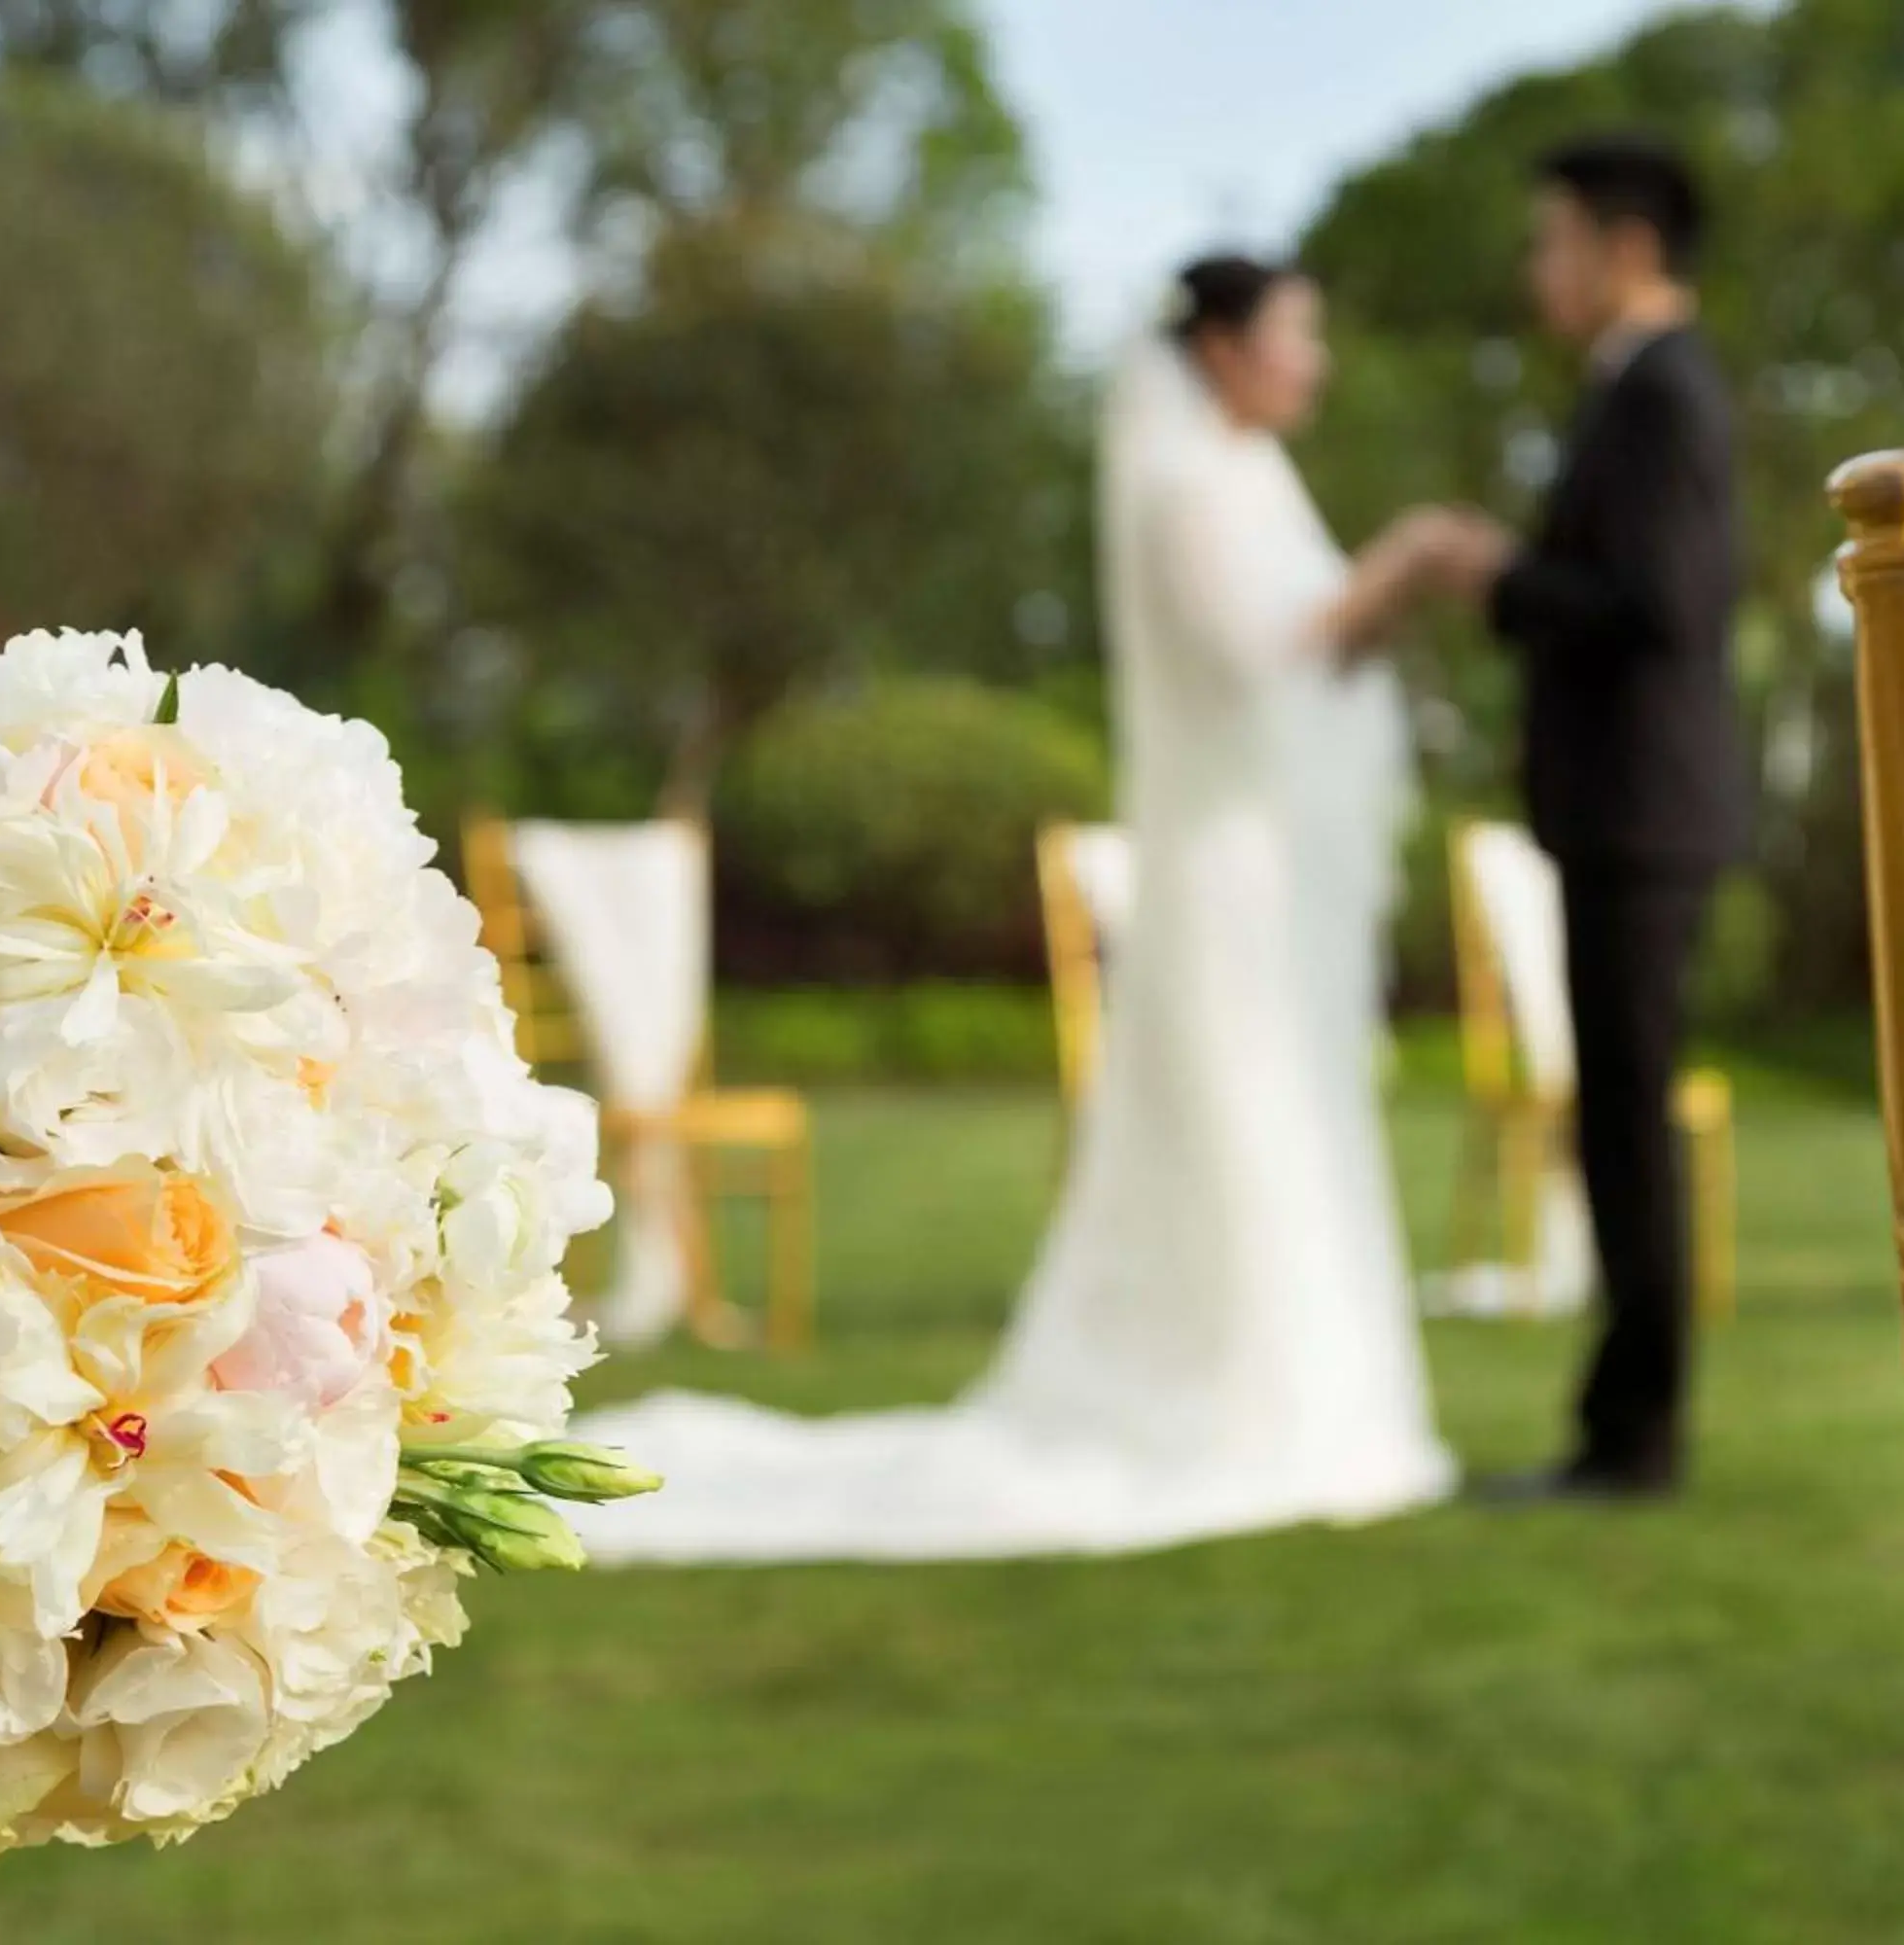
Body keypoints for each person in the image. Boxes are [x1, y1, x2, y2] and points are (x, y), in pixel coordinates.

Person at [570, 254, 1460, 1562]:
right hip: (1217, 881)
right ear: (1221, 346)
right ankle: (1253, 1399)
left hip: (1264, 874)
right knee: (1241, 1118)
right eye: (1297, 333)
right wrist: (1410, 561)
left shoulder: (1252, 476)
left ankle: (1313, 1393)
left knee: (1295, 1122)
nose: (1314, 361)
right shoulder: (1184, 489)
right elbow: (1259, 660)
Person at [1416, 135, 1745, 1502]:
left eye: (1549, 242)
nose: (1533, 271)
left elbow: (1660, 605)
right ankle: (1623, 1426)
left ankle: (1635, 1438)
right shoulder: (1633, 388)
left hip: (1641, 814)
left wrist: (1499, 571)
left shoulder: (1662, 391)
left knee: (1625, 1119)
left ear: (1623, 246)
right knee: (1615, 1115)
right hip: (1621, 814)